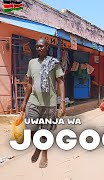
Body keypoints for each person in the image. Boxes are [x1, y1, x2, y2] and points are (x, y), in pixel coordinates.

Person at [20, 38, 65, 168]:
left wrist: (61, 102)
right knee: (31, 129)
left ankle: (44, 154)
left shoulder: (54, 63)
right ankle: (39, 147)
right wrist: (24, 101)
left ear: (47, 48)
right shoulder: (32, 63)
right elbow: (29, 83)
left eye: (41, 46)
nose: (39, 48)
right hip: (33, 101)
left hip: (49, 102)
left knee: (45, 131)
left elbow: (60, 82)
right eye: (37, 46)